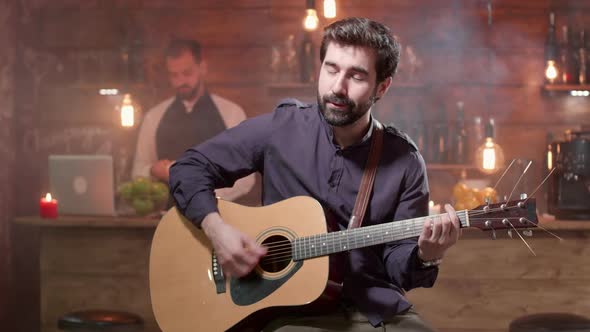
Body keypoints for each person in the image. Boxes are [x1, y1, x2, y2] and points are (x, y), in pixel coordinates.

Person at [169, 18, 461, 331]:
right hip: (284, 307)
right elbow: (188, 169)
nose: (338, 86)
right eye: (331, 68)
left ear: (382, 87)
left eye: (357, 75)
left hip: (370, 308)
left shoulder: (404, 160)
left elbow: (398, 268)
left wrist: (426, 254)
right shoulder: (281, 128)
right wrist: (217, 230)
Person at [132, 39, 254, 201]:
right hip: (168, 217)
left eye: (187, 73)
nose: (181, 81)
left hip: (219, 215)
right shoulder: (153, 117)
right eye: (174, 75)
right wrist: (153, 171)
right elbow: (138, 171)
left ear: (202, 68)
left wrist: (207, 196)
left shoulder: (231, 113)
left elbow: (246, 178)